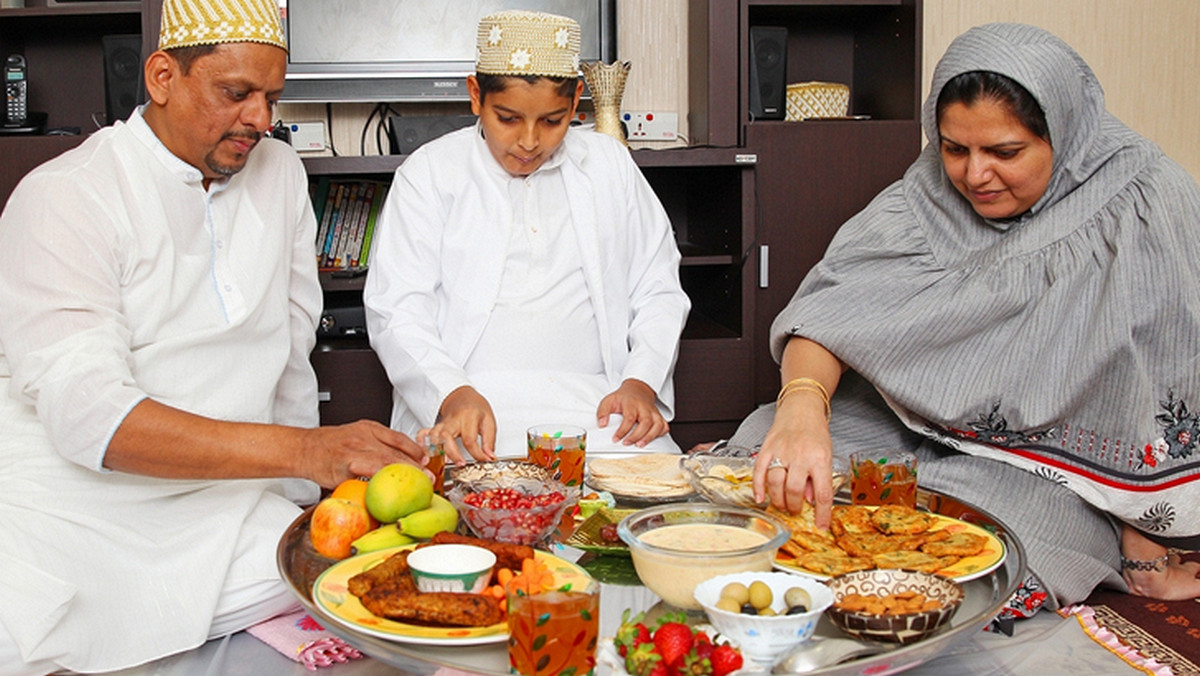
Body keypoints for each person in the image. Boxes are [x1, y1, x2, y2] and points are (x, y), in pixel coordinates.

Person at [0, 1, 425, 673]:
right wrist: (305, 451)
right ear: (163, 76)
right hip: (78, 513)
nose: (261, 119)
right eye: (237, 94)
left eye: (271, 97)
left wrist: (299, 500)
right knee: (41, 632)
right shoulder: (66, 196)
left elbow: (288, 352)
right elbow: (89, 419)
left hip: (229, 506)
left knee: (386, 584)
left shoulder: (279, 173)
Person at [732, 22, 1200, 614]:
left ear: (1066, 132)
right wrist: (801, 410)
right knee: (764, 460)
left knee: (983, 542)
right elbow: (830, 310)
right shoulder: (926, 193)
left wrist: (1145, 550)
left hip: (1045, 466)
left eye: (1004, 153)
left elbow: (1160, 376)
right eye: (955, 148)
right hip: (899, 422)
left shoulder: (1147, 202)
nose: (974, 176)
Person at [364, 10, 691, 463]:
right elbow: (396, 309)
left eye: (553, 121)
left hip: (601, 414)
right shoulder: (429, 173)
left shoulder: (609, 165)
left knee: (657, 511)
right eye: (509, 118)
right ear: (476, 96)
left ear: (577, 102)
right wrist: (452, 393)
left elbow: (658, 289)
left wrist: (640, 382)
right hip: (468, 412)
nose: (530, 141)